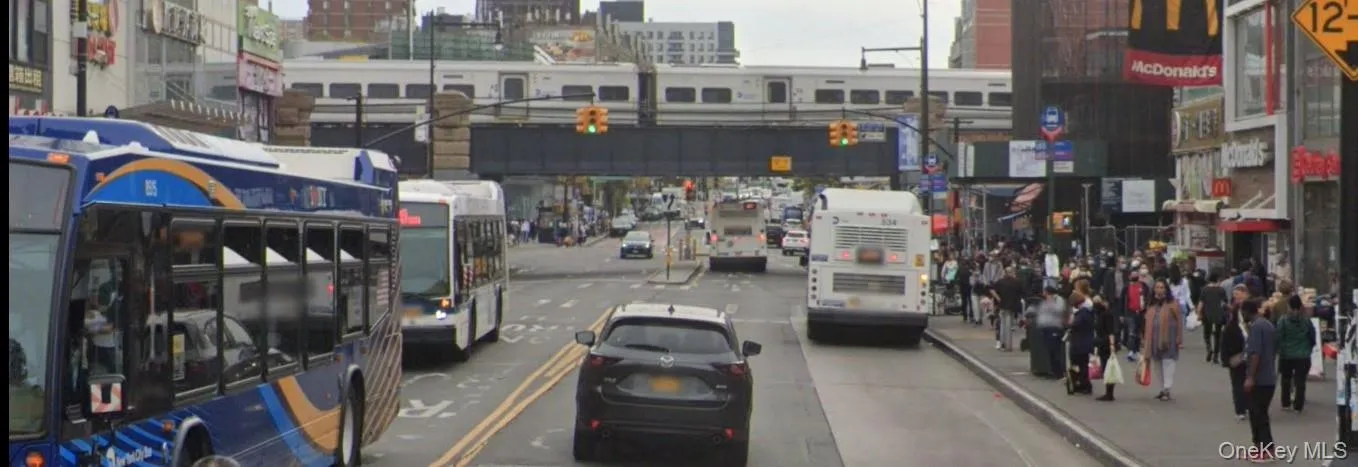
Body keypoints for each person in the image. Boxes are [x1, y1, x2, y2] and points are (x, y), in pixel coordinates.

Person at [1243, 297, 1279, 462]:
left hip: (1260, 378)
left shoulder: (1256, 327)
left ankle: (1267, 448)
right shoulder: (1268, 325)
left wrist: (1250, 377)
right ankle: (1258, 447)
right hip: (1269, 376)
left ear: (1246, 311)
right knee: (1258, 413)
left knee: (1258, 414)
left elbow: (1255, 353)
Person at [1142, 278, 1183, 401]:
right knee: (1157, 364)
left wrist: (1179, 338)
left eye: (1162, 287)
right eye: (1157, 287)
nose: (1159, 290)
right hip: (1153, 339)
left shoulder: (1173, 304)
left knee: (1168, 363)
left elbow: (1180, 322)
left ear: (1166, 289)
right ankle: (1162, 388)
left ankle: (1167, 389)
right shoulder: (1151, 304)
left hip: (1169, 339)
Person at [1277, 294, 1316, 413]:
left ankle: (1286, 403)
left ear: (1289, 306)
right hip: (1303, 355)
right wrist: (1308, 348)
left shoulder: (1283, 320)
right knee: (1300, 381)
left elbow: (1279, 336)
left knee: (1286, 379)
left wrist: (1281, 349)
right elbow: (1312, 337)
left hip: (1286, 354)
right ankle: (1298, 406)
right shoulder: (1306, 320)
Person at [1221, 286, 1253, 420]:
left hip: (1251, 353)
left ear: (1246, 294)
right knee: (1237, 382)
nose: (1237, 298)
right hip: (1237, 352)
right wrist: (1225, 359)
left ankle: (1249, 405)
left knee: (1251, 381)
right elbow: (1226, 333)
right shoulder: (1232, 311)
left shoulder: (1253, 308)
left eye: (1240, 295)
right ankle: (1240, 409)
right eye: (1235, 296)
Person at [1034, 286, 1068, 378]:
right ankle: (1053, 371)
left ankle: (1059, 373)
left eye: (1045, 292)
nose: (1043, 294)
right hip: (1046, 328)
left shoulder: (1058, 300)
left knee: (1055, 351)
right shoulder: (1045, 301)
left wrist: (1050, 302)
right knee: (1050, 351)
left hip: (1055, 328)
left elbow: (1059, 311)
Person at [1066, 290, 1096, 395]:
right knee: (1082, 365)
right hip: (1084, 342)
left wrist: (1070, 323)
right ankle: (1082, 384)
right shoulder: (1087, 312)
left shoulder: (1083, 313)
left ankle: (1084, 385)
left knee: (1080, 365)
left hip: (1080, 343)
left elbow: (1075, 325)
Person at [1093, 292, 1120, 401]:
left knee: (1108, 368)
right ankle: (1108, 392)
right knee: (1105, 368)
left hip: (1106, 343)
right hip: (1101, 343)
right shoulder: (1099, 314)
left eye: (1098, 302)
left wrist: (1112, 345)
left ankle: (1109, 393)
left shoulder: (1107, 314)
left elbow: (1110, 331)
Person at [1196, 272, 1228, 363]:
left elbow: (1201, 303)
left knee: (1207, 334)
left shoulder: (1205, 290)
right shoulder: (1221, 290)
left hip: (1207, 314)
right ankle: (1216, 356)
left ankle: (1209, 348)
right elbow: (1224, 303)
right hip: (1219, 314)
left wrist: (1199, 314)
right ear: (1218, 279)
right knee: (1218, 336)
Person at [990, 267, 1025, 351]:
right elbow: (1022, 293)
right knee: (1009, 326)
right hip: (1013, 306)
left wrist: (998, 299)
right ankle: (1007, 345)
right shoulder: (1017, 282)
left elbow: (992, 290)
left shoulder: (1000, 282)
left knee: (1003, 326)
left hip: (1003, 306)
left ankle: (1004, 344)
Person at [1124, 271, 1149, 361]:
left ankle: (1137, 350)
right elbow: (1123, 301)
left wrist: (1147, 310)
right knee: (1131, 332)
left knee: (1138, 332)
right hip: (1131, 312)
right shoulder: (1127, 287)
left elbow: (1148, 297)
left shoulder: (1144, 286)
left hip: (1141, 312)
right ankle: (1131, 350)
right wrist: (1123, 314)